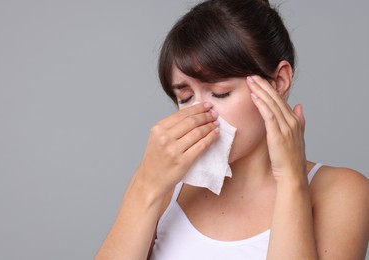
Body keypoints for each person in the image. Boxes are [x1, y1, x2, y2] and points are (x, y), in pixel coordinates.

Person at [95, 0, 369, 259]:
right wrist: (146, 184)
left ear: (279, 82)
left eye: (220, 92)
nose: (199, 112)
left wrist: (291, 180)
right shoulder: (166, 185)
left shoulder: (341, 193)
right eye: (185, 97)